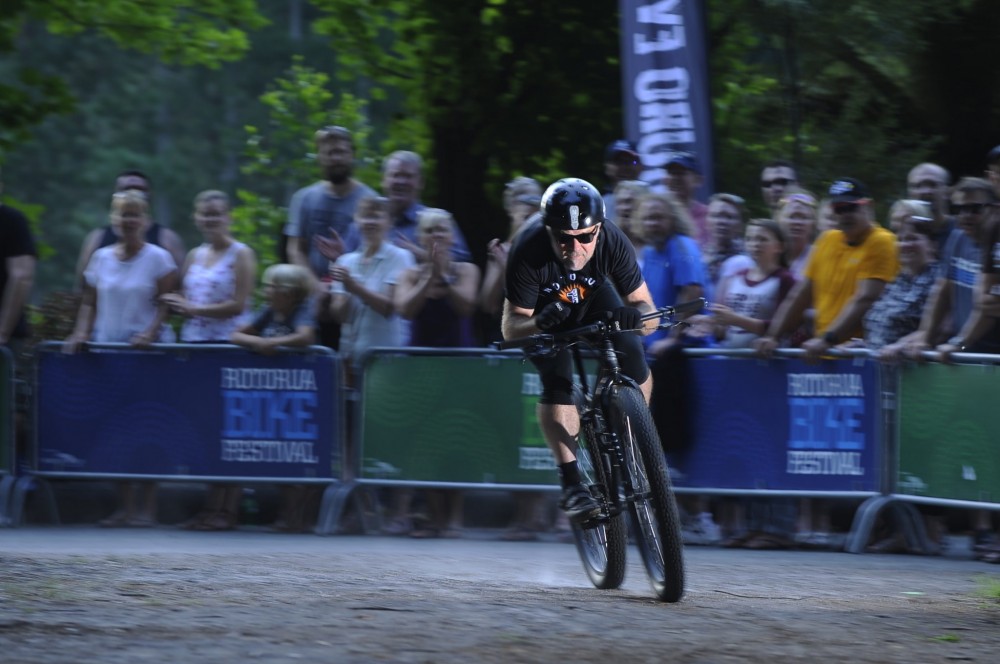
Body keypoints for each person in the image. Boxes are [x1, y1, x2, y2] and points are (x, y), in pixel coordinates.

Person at [501, 177, 659, 522]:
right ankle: (572, 481)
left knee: (632, 350)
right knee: (558, 380)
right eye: (563, 238)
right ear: (548, 230)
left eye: (585, 237)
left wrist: (635, 317)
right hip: (545, 311)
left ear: (598, 229)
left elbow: (650, 314)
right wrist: (538, 322)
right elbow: (511, 327)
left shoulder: (613, 239)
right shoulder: (528, 248)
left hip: (593, 298)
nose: (575, 248)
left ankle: (633, 436)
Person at [63, 189, 179, 528]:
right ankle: (125, 507)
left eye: (134, 214)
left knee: (148, 427)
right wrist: (80, 332)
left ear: (145, 220)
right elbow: (89, 301)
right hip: (108, 355)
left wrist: (151, 332)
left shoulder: (159, 258)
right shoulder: (100, 258)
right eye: (122, 214)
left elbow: (167, 302)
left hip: (147, 358)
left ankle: (148, 509)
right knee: (115, 430)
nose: (128, 220)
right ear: (113, 219)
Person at [160, 190, 257, 532]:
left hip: (227, 347)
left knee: (228, 428)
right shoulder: (194, 255)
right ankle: (209, 506)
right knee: (205, 429)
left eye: (217, 213)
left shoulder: (241, 253)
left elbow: (239, 303)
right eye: (205, 214)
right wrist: (175, 302)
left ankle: (229, 508)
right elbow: (185, 297)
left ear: (228, 216)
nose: (211, 219)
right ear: (196, 217)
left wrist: (194, 309)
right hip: (196, 346)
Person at [391, 208, 480, 538]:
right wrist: (429, 275)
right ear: (420, 237)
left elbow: (466, 306)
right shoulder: (409, 274)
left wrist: (444, 275)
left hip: (459, 370)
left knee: (456, 441)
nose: (436, 236)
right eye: (429, 230)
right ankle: (435, 516)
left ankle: (455, 518)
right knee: (424, 443)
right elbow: (405, 309)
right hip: (420, 371)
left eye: (442, 229)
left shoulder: (467, 270)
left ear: (453, 236)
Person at [755, 177, 899, 361]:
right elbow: (800, 295)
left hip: (858, 356)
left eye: (851, 207)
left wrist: (827, 339)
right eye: (839, 208)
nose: (845, 214)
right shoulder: (827, 240)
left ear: (868, 206)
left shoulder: (882, 241)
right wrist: (772, 336)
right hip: (824, 353)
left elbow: (865, 298)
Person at [231, 263, 317, 532]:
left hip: (299, 399)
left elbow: (306, 336)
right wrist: (258, 342)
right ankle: (286, 516)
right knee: (280, 459)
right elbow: (235, 334)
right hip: (271, 399)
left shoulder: (302, 310)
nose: (266, 291)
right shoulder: (268, 311)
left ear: (288, 292)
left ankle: (298, 518)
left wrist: (274, 343)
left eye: (271, 287)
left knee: (296, 459)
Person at [886, 177, 1000, 360]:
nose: (966, 215)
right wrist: (925, 337)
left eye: (975, 208)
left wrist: (960, 343)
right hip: (963, 352)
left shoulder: (996, 247)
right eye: (959, 209)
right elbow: (942, 292)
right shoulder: (958, 238)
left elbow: (988, 308)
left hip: (991, 356)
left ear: (995, 209)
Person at [283, 126, 377, 348]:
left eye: (341, 152)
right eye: (329, 153)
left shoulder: (370, 201)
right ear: (319, 157)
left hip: (354, 297)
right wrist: (315, 286)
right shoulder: (304, 198)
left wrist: (341, 286)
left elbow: (376, 252)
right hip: (310, 298)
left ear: (352, 155)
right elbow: (295, 248)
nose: (336, 158)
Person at [325, 195, 414, 388]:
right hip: (350, 359)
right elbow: (339, 316)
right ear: (356, 220)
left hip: (386, 360)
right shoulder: (345, 261)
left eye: (376, 216)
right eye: (365, 216)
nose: (370, 222)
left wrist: (354, 286)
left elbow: (389, 308)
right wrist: (346, 291)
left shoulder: (401, 257)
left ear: (389, 222)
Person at [344, 150, 472, 263]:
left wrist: (420, 255)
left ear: (421, 182)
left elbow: (462, 261)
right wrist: (339, 255)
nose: (401, 181)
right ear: (383, 180)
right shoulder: (365, 220)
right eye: (396, 175)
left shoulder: (438, 220)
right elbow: (346, 261)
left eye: (408, 176)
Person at [74, 170, 185, 291]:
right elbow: (83, 286)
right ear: (115, 194)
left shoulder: (167, 239)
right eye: (126, 189)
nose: (133, 194)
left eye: (140, 189)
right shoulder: (98, 239)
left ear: (150, 195)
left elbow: (178, 287)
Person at [633, 191, 705, 358]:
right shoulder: (649, 252)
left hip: (684, 350)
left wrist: (673, 338)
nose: (652, 223)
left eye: (658, 218)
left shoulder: (681, 246)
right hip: (655, 349)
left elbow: (693, 292)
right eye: (647, 218)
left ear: (672, 219)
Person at [0, 167, 38, 468]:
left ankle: (11, 477)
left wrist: (2, 332)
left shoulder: (12, 221)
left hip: (7, 339)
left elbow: (22, 276)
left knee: (9, 410)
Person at [479, 177, 542, 345]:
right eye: (523, 200)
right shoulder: (500, 250)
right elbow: (488, 305)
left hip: (539, 338)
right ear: (510, 207)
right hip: (505, 339)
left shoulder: (550, 249)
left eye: (535, 200)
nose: (529, 205)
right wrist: (501, 265)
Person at [702, 193, 753, 302]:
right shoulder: (699, 256)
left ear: (740, 225)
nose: (721, 222)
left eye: (729, 217)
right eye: (715, 216)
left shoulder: (750, 259)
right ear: (706, 221)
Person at [663, 151, 710, 248]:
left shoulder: (709, 216)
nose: (676, 178)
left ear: (698, 180)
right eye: (672, 173)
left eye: (681, 173)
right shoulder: (656, 214)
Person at [905, 162, 955, 252]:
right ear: (909, 193)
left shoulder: (964, 231)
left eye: (932, 185)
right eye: (918, 186)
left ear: (947, 192)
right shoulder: (903, 235)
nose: (925, 191)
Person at [776, 189, 820, 278]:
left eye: (804, 217)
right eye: (792, 217)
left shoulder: (820, 256)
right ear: (779, 219)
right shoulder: (767, 253)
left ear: (814, 223)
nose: (797, 222)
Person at [602, 139, 644, 221]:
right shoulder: (598, 207)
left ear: (641, 167)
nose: (624, 167)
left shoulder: (654, 203)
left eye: (631, 161)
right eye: (618, 162)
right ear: (607, 167)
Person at [609, 179, 650, 260]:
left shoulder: (658, 244)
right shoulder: (608, 243)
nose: (624, 208)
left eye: (630, 201)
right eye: (619, 202)